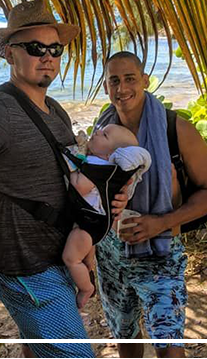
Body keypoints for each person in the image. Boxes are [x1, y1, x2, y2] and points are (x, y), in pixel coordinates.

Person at [0, 0, 130, 359]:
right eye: (35, 48)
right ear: (9, 54)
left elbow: (71, 179)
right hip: (25, 263)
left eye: (55, 49)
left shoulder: (57, 112)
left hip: (58, 252)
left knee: (38, 346)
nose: (47, 56)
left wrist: (102, 210)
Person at [94, 51, 207, 359]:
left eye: (130, 79)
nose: (122, 88)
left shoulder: (175, 130)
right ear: (105, 87)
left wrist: (160, 223)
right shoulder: (105, 128)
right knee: (125, 338)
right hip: (112, 255)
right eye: (114, 80)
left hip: (161, 254)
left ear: (145, 81)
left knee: (168, 344)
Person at [62, 124, 151, 310]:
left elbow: (80, 185)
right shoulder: (102, 164)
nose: (96, 133)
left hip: (90, 225)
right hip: (94, 221)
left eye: (104, 135)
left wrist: (69, 170)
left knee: (71, 258)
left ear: (111, 153)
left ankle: (86, 288)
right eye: (101, 130)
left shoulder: (101, 167)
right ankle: (88, 265)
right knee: (83, 253)